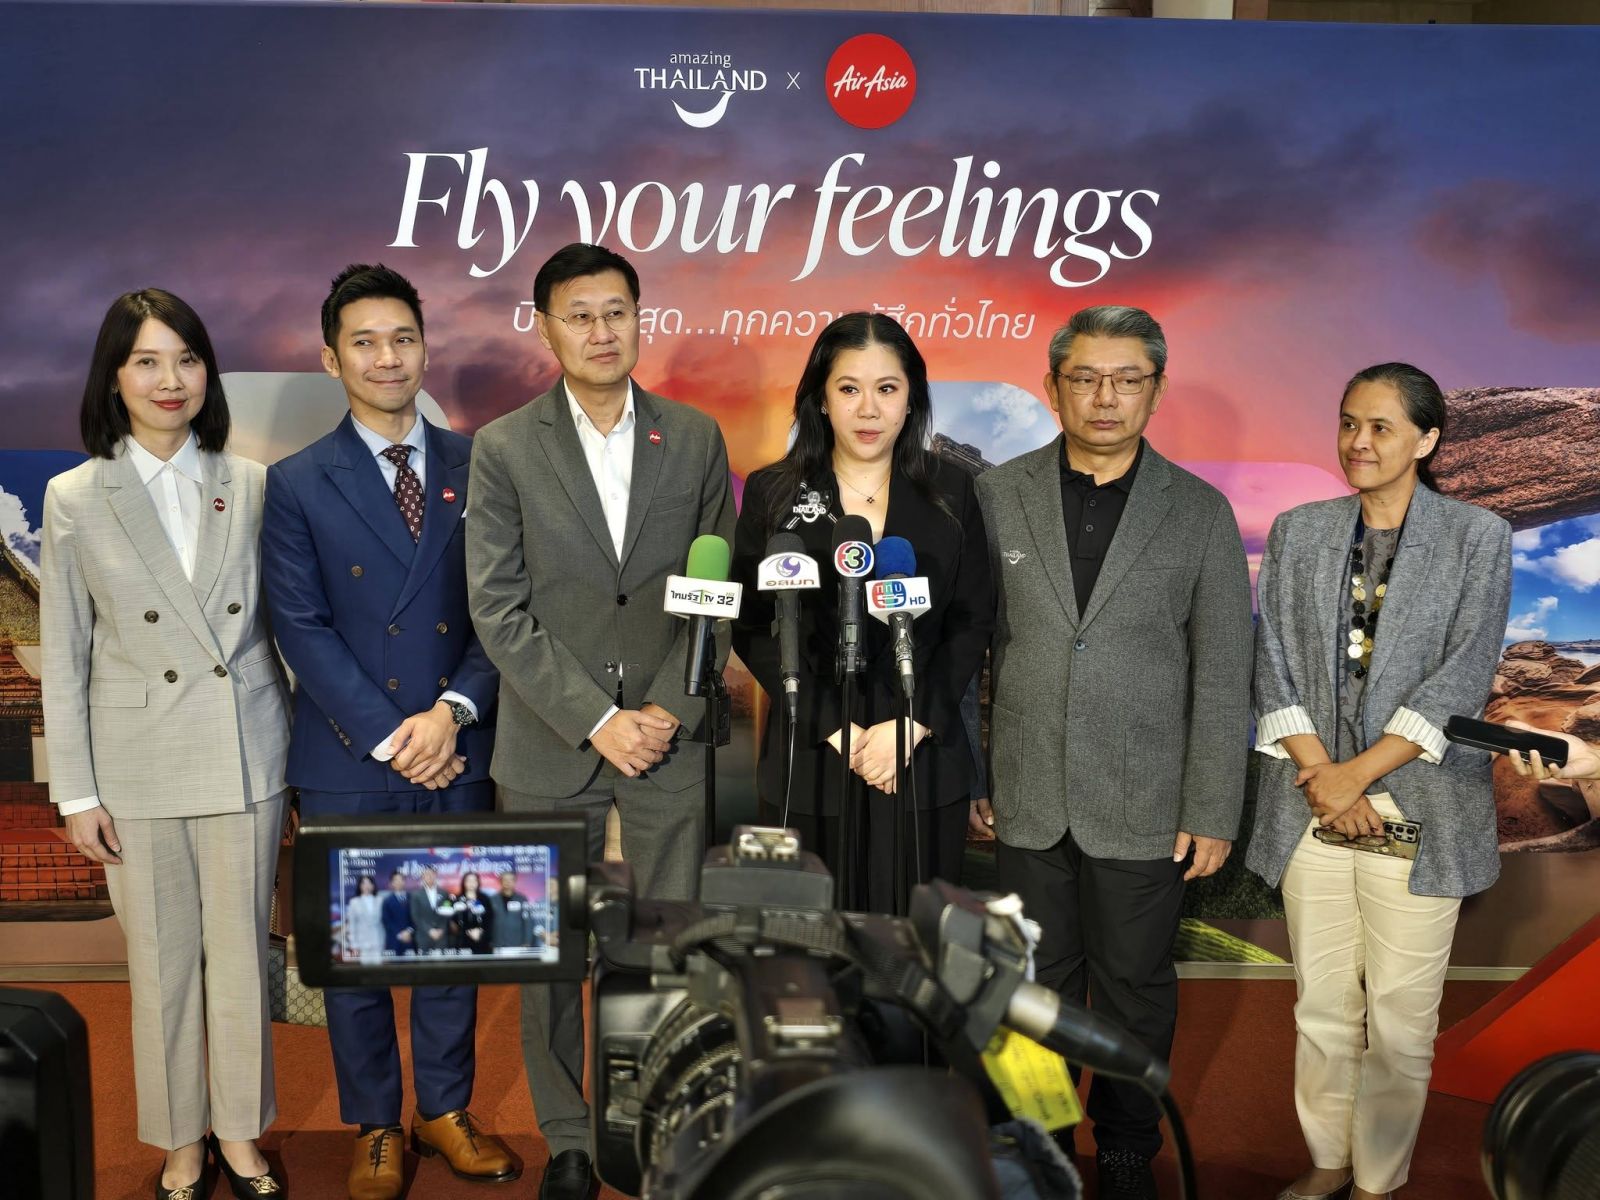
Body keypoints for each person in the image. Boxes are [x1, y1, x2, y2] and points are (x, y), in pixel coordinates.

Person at [465, 241, 735, 1200]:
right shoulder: (504, 447)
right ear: (546, 329)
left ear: (639, 319)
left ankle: (654, 1122)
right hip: (549, 742)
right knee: (548, 956)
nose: (600, 331)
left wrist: (665, 707)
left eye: (616, 311)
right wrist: (596, 719)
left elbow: (715, 592)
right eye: (579, 315)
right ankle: (570, 1137)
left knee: (666, 945)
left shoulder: (694, 437)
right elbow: (497, 608)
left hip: (668, 737)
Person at [975, 305, 1253, 1200]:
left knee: (1135, 987)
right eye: (1086, 378)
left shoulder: (1199, 511)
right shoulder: (995, 494)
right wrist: (978, 770)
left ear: (1155, 391)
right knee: (1031, 985)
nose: (1106, 396)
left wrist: (1211, 807)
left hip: (1146, 800)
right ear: (1053, 387)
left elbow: (1224, 673)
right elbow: (969, 650)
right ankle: (1040, 1140)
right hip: (1025, 790)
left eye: (1127, 379)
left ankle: (1129, 1145)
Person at [261, 264, 515, 1200]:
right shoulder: (295, 482)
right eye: (363, 342)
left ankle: (445, 1111)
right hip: (350, 751)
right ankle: (374, 1123)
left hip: (459, 740)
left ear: (424, 348)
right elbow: (301, 627)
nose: (386, 357)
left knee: (453, 941)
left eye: (402, 338)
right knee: (357, 957)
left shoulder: (482, 463)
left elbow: (503, 610)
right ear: (332, 359)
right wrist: (393, 734)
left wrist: (452, 714)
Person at [40, 289, 291, 1200]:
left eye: (186, 358)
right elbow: (64, 651)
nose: (170, 379)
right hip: (135, 764)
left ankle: (241, 1134)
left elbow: (281, 631)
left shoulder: (250, 481)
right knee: (159, 965)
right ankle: (181, 1142)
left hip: (243, 750)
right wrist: (75, 793)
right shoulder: (74, 495)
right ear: (114, 377)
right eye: (146, 361)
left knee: (241, 959)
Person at [1247, 363, 1512, 1200]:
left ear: (1427, 440)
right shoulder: (1299, 530)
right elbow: (1271, 661)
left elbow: (1462, 676)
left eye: (1381, 427)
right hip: (1310, 804)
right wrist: (1325, 779)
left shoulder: (1477, 536)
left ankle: (1378, 1179)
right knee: (1322, 1008)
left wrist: (1355, 778)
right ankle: (1329, 1162)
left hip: (1420, 807)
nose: (1358, 442)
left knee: (1401, 1020)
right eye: (1348, 423)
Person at [730, 312, 994, 910]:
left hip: (923, 756)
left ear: (911, 398)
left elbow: (971, 620)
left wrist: (911, 725)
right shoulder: (775, 491)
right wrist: (838, 730)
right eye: (849, 388)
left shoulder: (953, 490)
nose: (868, 410)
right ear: (822, 399)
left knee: (913, 946)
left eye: (887, 388)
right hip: (813, 754)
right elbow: (753, 624)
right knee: (813, 945)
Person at [408, 864, 454, 956]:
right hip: (423, 936)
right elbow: (415, 916)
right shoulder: (415, 895)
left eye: (431, 874)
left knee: (441, 964)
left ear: (435, 875)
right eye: (426, 874)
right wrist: (429, 930)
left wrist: (441, 929)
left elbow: (447, 913)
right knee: (424, 964)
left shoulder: (444, 893)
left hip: (441, 936)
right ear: (422, 877)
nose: (429, 876)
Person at [485, 870, 537, 952]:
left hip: (517, 943)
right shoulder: (492, 899)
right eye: (505, 880)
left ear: (515, 882)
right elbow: (488, 922)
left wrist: (527, 941)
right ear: (500, 882)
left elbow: (528, 922)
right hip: (497, 943)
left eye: (510, 880)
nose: (508, 882)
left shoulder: (522, 899)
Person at [345, 874, 385, 961]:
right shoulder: (354, 902)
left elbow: (384, 922)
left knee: (379, 968)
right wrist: (354, 945)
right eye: (364, 883)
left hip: (378, 942)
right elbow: (352, 925)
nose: (367, 886)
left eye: (369, 883)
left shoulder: (380, 901)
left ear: (373, 886)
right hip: (362, 944)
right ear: (360, 886)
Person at [451, 871, 490, 954]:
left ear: (478, 883)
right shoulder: (457, 899)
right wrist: (468, 931)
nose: (471, 883)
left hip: (482, 941)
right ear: (464, 883)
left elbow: (490, 918)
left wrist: (480, 931)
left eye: (474, 880)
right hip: (462, 941)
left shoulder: (485, 899)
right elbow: (453, 921)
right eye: (468, 881)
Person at [379, 870, 414, 956]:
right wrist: (400, 935)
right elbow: (386, 921)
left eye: (401, 879)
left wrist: (409, 931)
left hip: (410, 940)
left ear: (404, 881)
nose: (398, 882)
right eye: (396, 880)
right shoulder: (387, 901)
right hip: (394, 942)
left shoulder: (412, 898)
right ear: (392, 883)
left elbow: (416, 918)